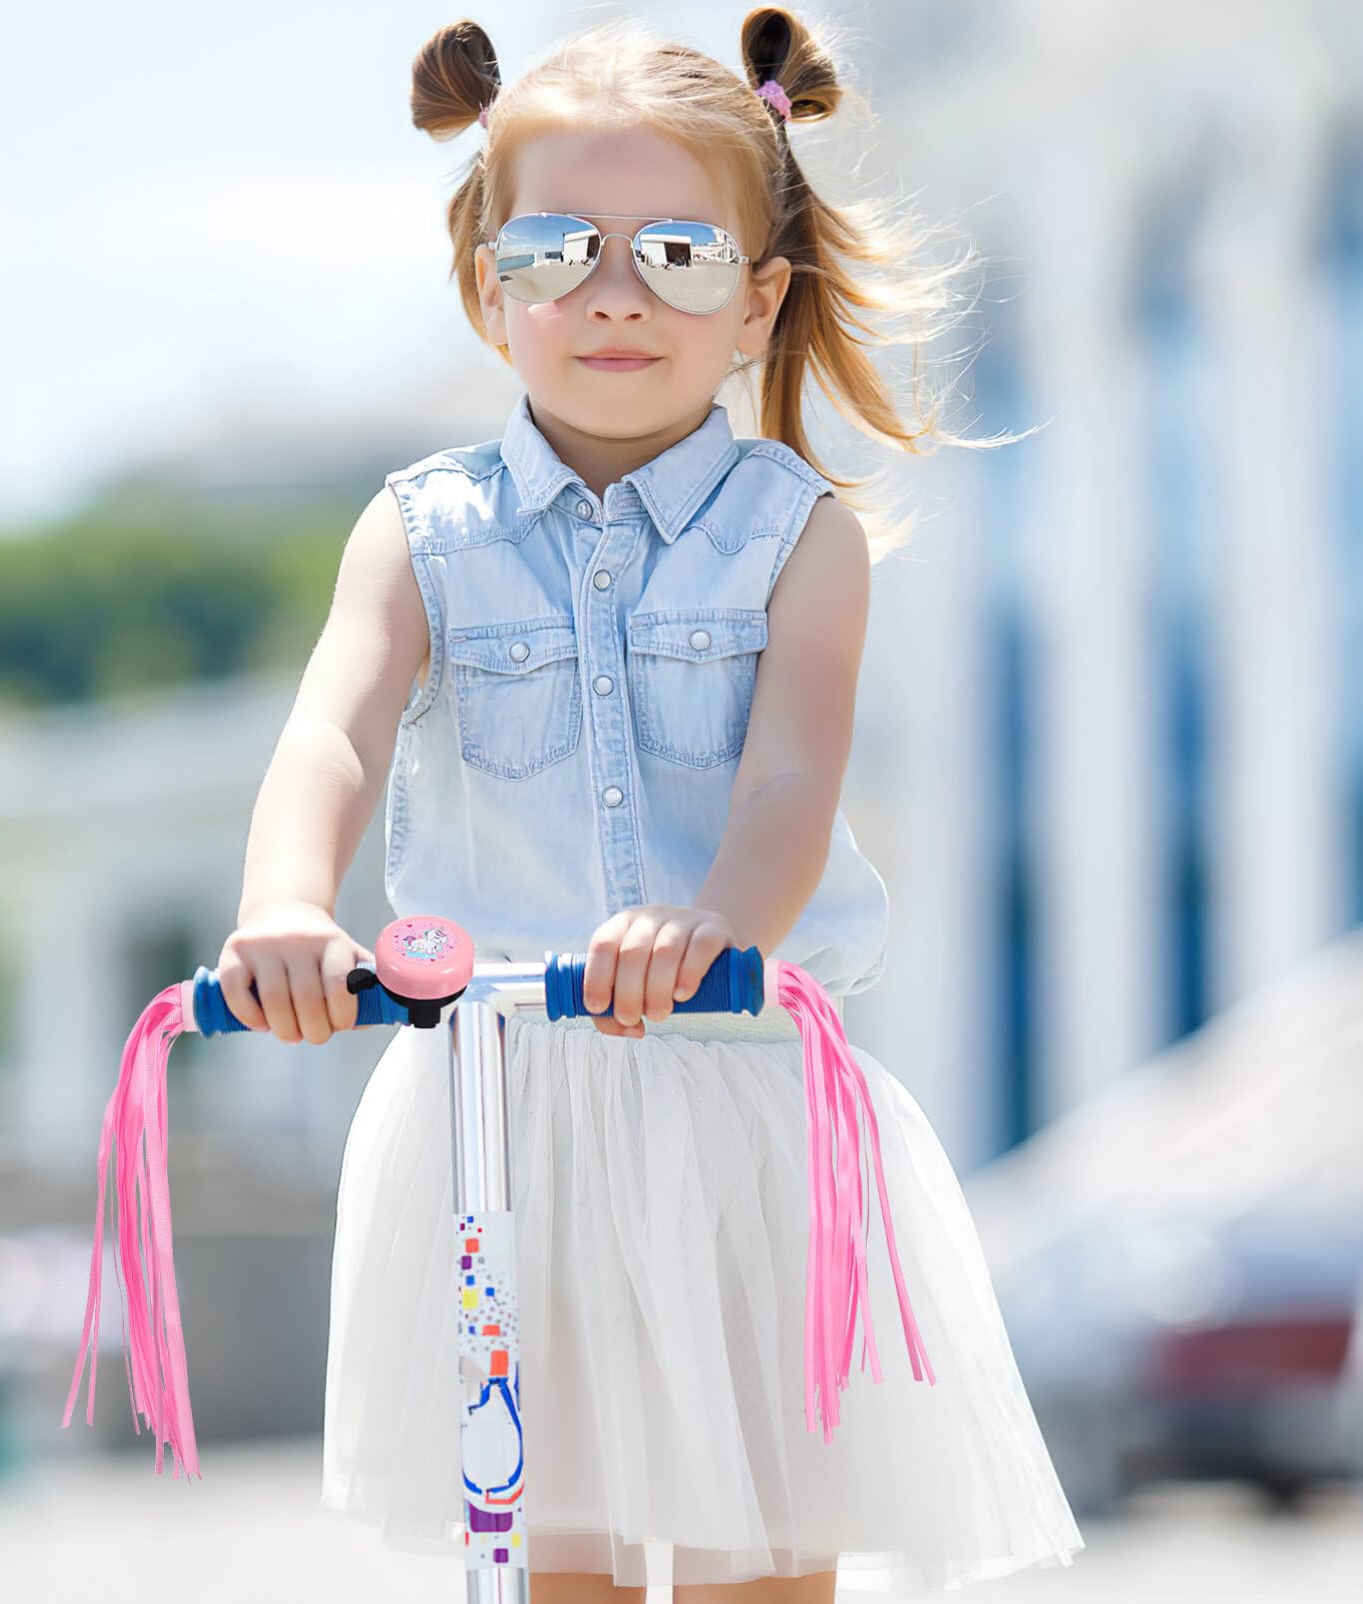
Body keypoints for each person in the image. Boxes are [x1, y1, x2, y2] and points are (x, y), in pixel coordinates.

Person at [216, 8, 1085, 1598]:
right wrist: (286, 904)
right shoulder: (418, 530)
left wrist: (711, 924)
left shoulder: (798, 535)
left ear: (758, 302)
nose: (615, 294)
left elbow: (794, 775)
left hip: (733, 1103)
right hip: (504, 1116)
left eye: (678, 257)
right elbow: (331, 731)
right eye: (557, 253)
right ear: (488, 291)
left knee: (766, 1558)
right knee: (557, 1556)